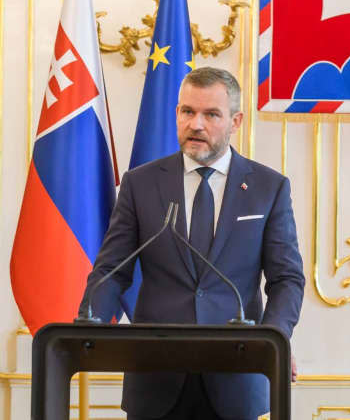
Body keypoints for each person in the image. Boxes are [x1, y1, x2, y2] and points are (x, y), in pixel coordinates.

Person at [80, 66, 305, 420]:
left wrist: (274, 339)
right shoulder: (141, 184)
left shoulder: (268, 188)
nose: (196, 124)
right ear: (177, 115)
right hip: (156, 378)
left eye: (211, 114)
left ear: (236, 121)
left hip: (238, 373)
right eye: (188, 112)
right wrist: (88, 324)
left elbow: (287, 279)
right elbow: (112, 268)